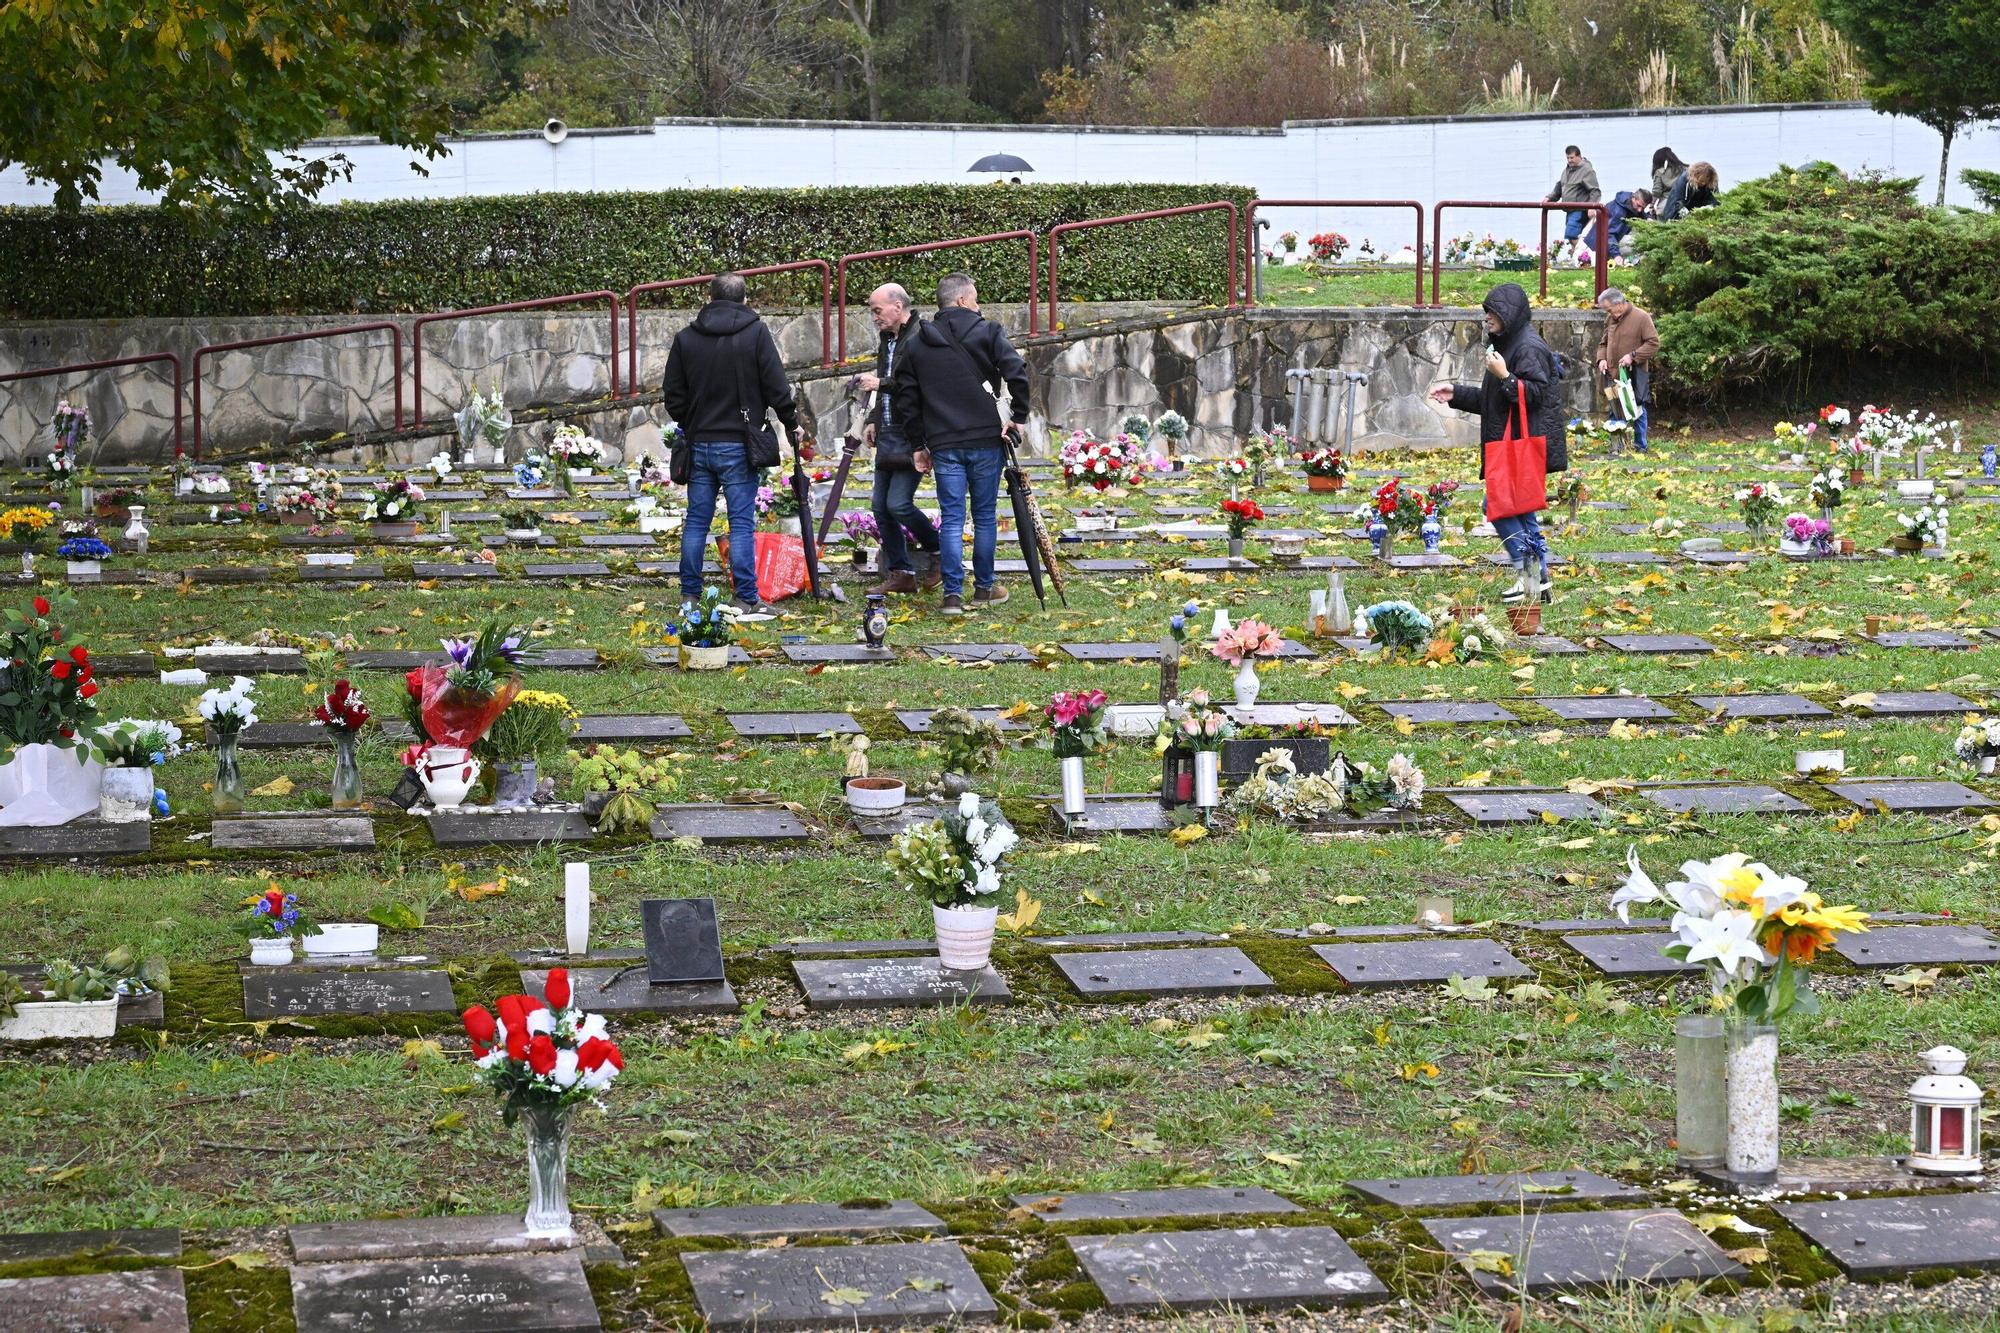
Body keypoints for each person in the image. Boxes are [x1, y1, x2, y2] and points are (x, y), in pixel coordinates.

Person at [661, 272, 804, 616]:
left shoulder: (686, 338)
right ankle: (747, 597)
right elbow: (776, 387)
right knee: (741, 523)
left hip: (699, 443)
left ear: (709, 299)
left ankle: (689, 596)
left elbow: (673, 395)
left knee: (697, 520)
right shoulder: (755, 333)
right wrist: (791, 423)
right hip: (740, 443)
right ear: (744, 300)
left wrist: (689, 421)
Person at [891, 271, 1030, 616]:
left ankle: (952, 595)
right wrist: (1019, 416)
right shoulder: (989, 331)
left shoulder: (918, 342)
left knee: (952, 518)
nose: (979, 304)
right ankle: (984, 588)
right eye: (976, 297)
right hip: (986, 438)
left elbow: (906, 397)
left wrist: (917, 443)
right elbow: (1017, 372)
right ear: (964, 299)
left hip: (944, 442)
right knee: (984, 515)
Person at [1429, 283, 1569, 605]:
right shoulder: (1507, 344)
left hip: (1522, 444)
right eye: (1487, 312)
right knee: (1521, 511)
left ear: (1510, 315)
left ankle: (1528, 573)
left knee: (1498, 504)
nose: (1488, 318)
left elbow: (1534, 395)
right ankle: (1537, 580)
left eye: (1493, 312)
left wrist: (1505, 376)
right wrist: (1458, 394)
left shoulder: (1528, 347)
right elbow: (1497, 402)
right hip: (1514, 442)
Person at [854, 282, 941, 595]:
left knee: (899, 504)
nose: (874, 317)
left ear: (898, 306)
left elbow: (916, 385)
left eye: (877, 310)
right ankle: (901, 572)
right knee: (880, 507)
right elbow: (887, 388)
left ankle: (939, 550)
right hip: (889, 431)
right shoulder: (887, 340)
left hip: (912, 433)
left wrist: (879, 383)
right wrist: (874, 419)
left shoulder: (922, 336)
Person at [1594, 288, 1659, 452]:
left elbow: (1653, 343)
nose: (1607, 312)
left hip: (1633, 375)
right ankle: (1617, 445)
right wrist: (1601, 359)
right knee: (1614, 409)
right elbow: (1603, 343)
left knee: (1637, 409)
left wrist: (1633, 356)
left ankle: (1640, 446)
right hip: (1611, 374)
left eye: (1609, 309)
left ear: (1619, 304)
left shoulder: (1642, 317)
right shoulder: (1610, 318)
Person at [1545, 144, 1602, 244]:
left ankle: (1583, 254)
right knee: (1572, 236)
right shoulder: (1567, 170)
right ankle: (1580, 257)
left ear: (1579, 156)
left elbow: (1595, 190)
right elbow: (1560, 186)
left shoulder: (1586, 170)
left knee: (1572, 234)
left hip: (1579, 209)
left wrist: (1591, 206)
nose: (1569, 160)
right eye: (1568, 158)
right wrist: (1549, 198)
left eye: (1572, 157)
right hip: (1569, 210)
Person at [1603, 188, 1653, 256]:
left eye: (1643, 208)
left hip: (1614, 240)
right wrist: (1616, 255)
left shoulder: (1631, 204)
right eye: (1638, 206)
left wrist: (1648, 218)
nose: (1639, 210)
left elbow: (1641, 214)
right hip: (1599, 245)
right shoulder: (1618, 212)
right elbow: (1609, 235)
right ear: (1633, 198)